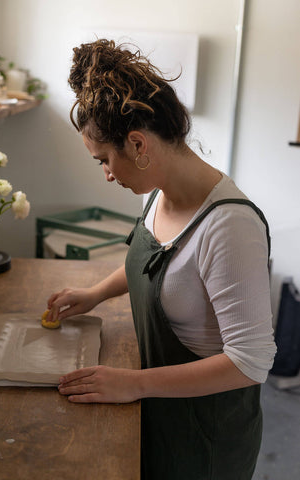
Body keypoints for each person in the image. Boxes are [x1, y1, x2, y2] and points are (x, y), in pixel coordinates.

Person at [46, 39, 276, 480]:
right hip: (157, 407)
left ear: (137, 143)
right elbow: (157, 266)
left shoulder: (229, 227)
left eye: (105, 160)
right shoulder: (160, 195)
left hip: (204, 436)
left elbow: (251, 362)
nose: (108, 174)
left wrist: (132, 384)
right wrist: (95, 293)